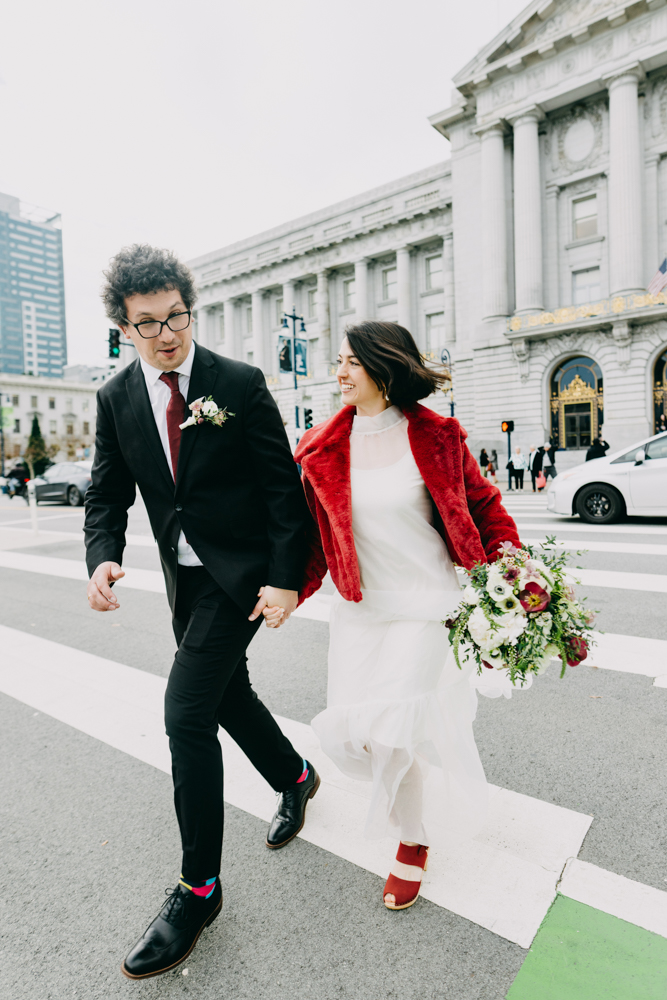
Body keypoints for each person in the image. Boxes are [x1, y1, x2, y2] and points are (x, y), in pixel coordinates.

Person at [84, 245, 317, 980]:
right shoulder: (116, 396)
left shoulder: (237, 384)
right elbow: (106, 490)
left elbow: (282, 491)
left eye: (176, 316)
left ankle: (199, 889)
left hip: (242, 577)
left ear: (191, 308)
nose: (166, 333)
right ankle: (296, 775)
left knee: (186, 711)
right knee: (225, 696)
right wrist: (102, 554)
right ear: (123, 329)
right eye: (146, 323)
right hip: (185, 579)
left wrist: (284, 580)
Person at [293, 321, 520, 912]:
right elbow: (314, 539)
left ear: (383, 368)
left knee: (389, 730)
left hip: (427, 608)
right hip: (361, 613)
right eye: (336, 362)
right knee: (358, 737)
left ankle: (412, 842)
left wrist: (517, 574)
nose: (338, 374)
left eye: (350, 363)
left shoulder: (437, 437)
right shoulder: (320, 448)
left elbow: (483, 505)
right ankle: (412, 801)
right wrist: (287, 591)